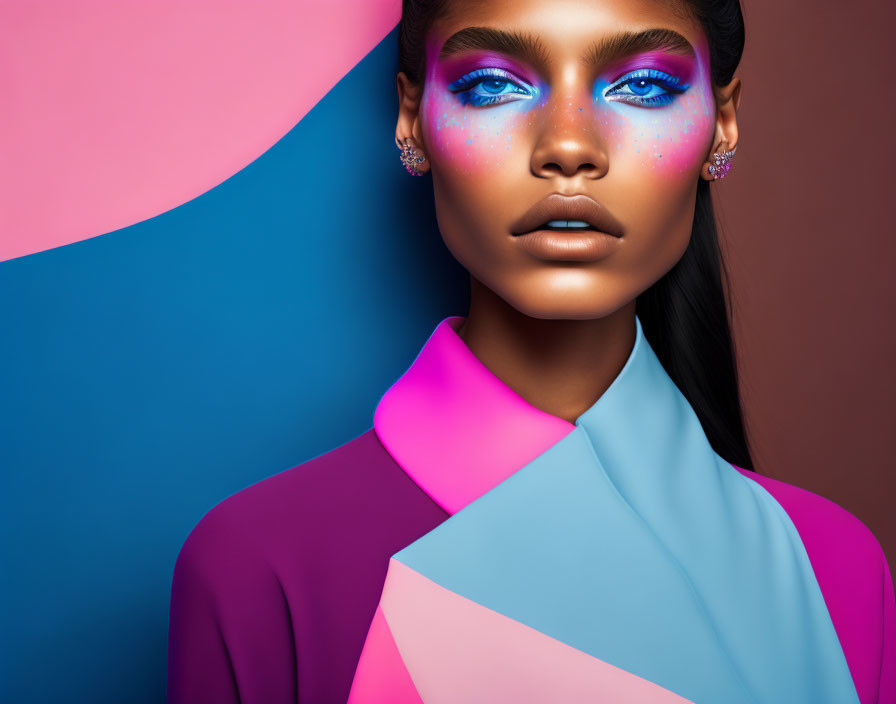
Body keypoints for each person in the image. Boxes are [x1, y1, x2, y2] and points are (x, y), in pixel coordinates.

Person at [166, 0, 896, 701]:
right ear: (412, 120)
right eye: (493, 84)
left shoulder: (838, 570)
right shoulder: (261, 570)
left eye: (643, 85)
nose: (569, 147)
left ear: (723, 124)